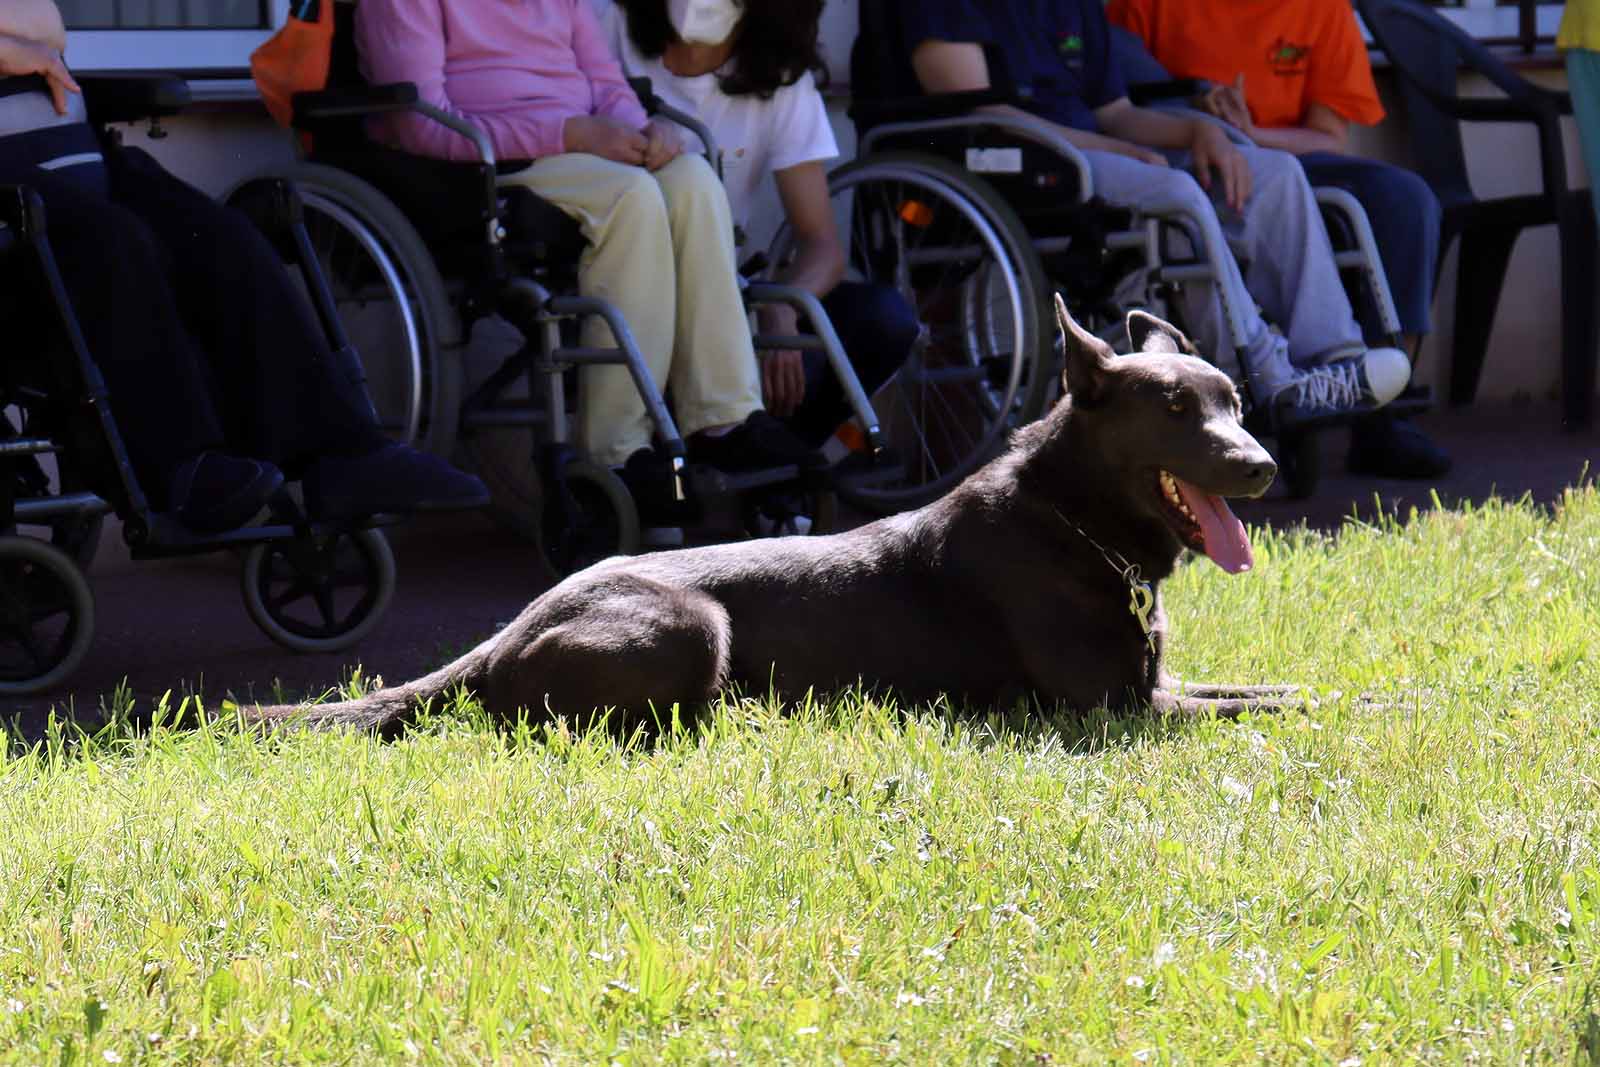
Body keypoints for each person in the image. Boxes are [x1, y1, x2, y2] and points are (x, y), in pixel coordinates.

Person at [0, 0, 489, 533]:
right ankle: (182, 469)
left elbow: (46, 26)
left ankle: (340, 454)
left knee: (221, 237)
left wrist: (22, 46)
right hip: (17, 210)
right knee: (114, 243)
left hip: (82, 178)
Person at [356, 0, 822, 512]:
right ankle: (614, 450)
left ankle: (724, 420)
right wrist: (569, 134)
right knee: (633, 198)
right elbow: (419, 126)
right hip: (487, 170)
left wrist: (643, 131)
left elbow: (605, 83)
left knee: (693, 181)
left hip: (584, 152)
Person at [888, 0, 1413, 433]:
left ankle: (1336, 364)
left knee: (1273, 173)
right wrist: (1117, 149)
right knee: (1175, 189)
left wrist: (1195, 133)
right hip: (1004, 158)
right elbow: (979, 113)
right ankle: (1264, 377)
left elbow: (1116, 113)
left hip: (1084, 152)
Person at [1108, 0, 1450, 478]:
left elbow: (1329, 137)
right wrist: (1200, 120)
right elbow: (1116, 92)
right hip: (1189, 153)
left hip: (1283, 152)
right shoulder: (1148, 6)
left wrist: (1251, 134)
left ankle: (1382, 413)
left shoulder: (1323, 9)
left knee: (1406, 200)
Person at [600, 0, 919, 450]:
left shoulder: (779, 76)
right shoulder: (609, 26)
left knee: (883, 320)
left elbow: (821, 242)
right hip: (628, 286)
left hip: (727, 295)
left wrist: (783, 308)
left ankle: (781, 472)